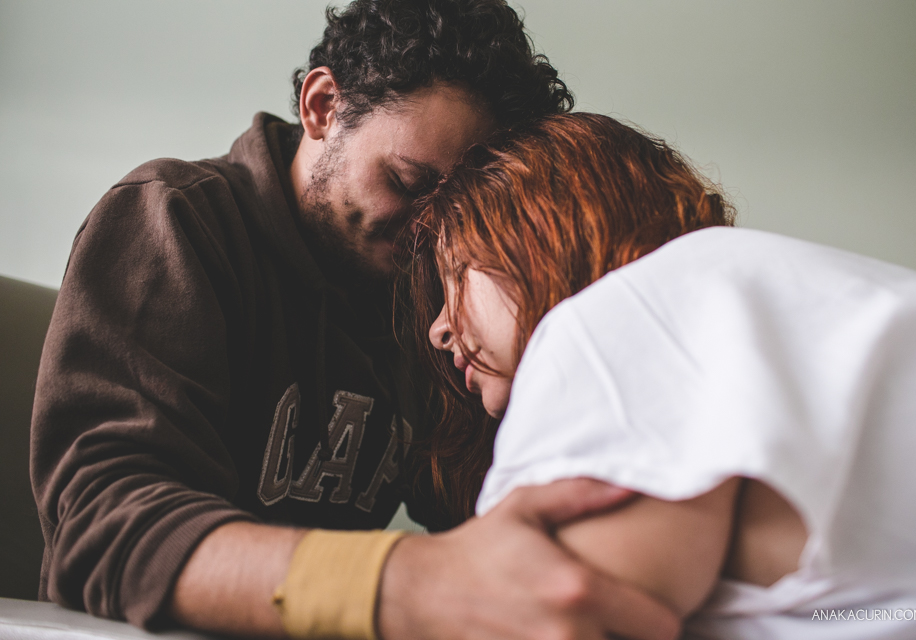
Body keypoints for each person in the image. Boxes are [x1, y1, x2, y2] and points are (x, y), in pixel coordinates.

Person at [30, 3, 680, 640]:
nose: (429, 233)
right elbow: (102, 527)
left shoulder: (429, 292)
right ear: (322, 107)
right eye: (407, 180)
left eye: (454, 212)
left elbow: (482, 512)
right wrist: (404, 584)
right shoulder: (174, 221)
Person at [414, 112, 916, 638]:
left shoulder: (608, 321)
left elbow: (562, 624)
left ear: (541, 235)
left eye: (458, 271)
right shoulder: (765, 296)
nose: (440, 329)